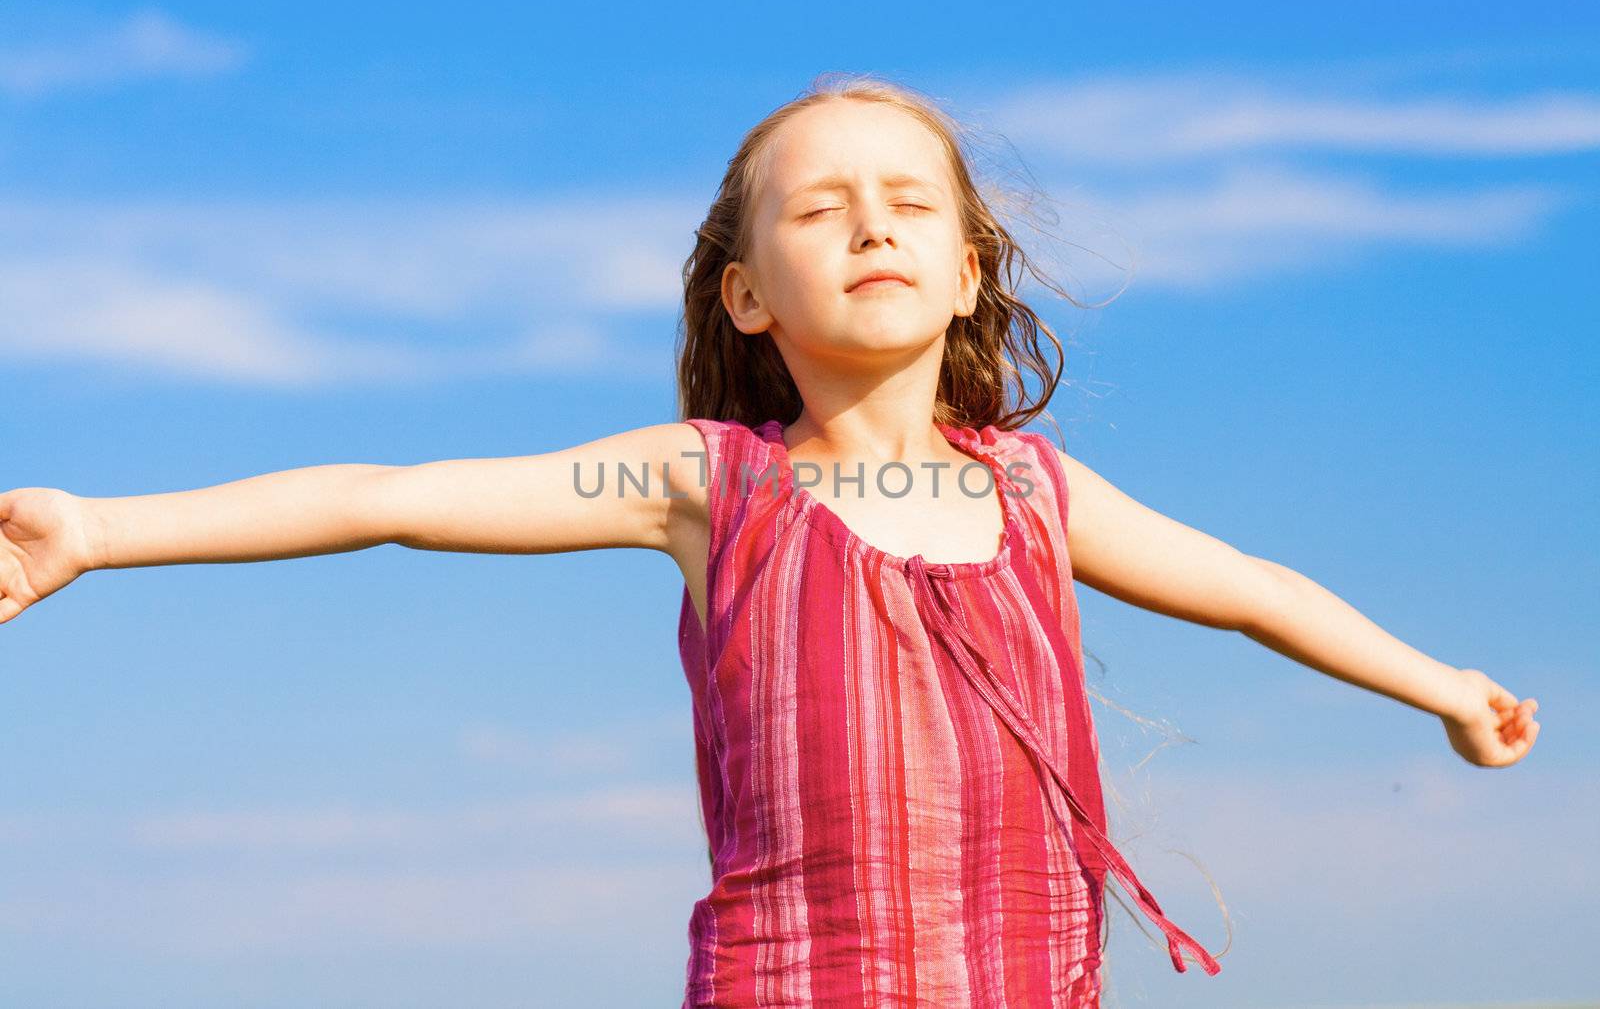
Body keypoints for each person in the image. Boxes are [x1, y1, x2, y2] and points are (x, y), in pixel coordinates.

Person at [0, 74, 1541, 1008]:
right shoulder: (707, 485)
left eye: (906, 205)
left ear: (963, 276)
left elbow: (1258, 591)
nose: (869, 226)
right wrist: (99, 527)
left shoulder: (1038, 495)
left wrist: (1446, 688)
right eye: (818, 212)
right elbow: (392, 494)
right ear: (746, 295)